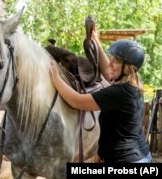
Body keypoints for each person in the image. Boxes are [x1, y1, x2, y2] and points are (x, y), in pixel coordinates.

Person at [49, 28, 152, 163]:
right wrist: (96, 42)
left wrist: (56, 77)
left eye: (115, 61)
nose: (110, 63)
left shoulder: (119, 93)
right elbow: (107, 71)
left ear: (127, 68)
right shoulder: (133, 87)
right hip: (138, 156)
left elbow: (76, 101)